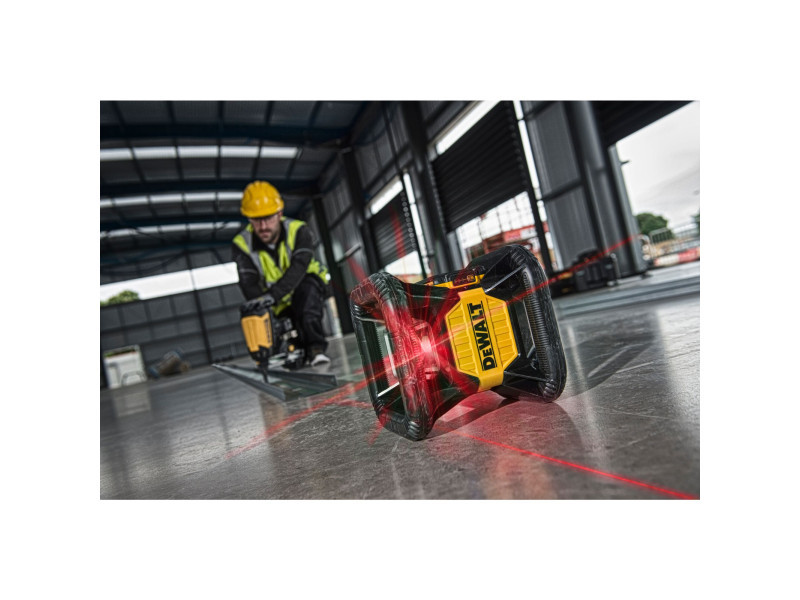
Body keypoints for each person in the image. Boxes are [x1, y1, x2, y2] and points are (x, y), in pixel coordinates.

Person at [232, 180, 332, 367]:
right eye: (256, 220)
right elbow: (248, 283)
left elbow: (299, 267)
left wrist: (272, 296)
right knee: (283, 334)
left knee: (307, 303)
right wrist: (262, 308)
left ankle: (316, 349)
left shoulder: (299, 230)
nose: (263, 226)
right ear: (249, 219)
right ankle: (288, 349)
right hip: (276, 301)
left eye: (268, 218)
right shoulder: (241, 244)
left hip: (304, 285)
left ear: (279, 214)